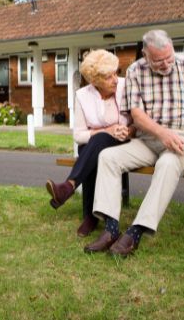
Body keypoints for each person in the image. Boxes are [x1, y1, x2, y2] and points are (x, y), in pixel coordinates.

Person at [85, 29, 184, 257]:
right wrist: (161, 133)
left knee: (168, 164)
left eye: (169, 57)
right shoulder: (135, 71)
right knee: (108, 157)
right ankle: (110, 230)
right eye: (158, 61)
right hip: (149, 138)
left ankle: (135, 232)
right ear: (145, 54)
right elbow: (137, 115)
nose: (166, 64)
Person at [45, 49, 134, 237]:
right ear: (96, 81)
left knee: (92, 146)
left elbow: (139, 120)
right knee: (94, 144)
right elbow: (79, 135)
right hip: (97, 146)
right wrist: (106, 131)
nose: (116, 79)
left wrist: (128, 130)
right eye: (109, 77)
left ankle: (71, 191)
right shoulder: (83, 96)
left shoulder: (127, 87)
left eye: (115, 73)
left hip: (126, 143)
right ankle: (88, 212)